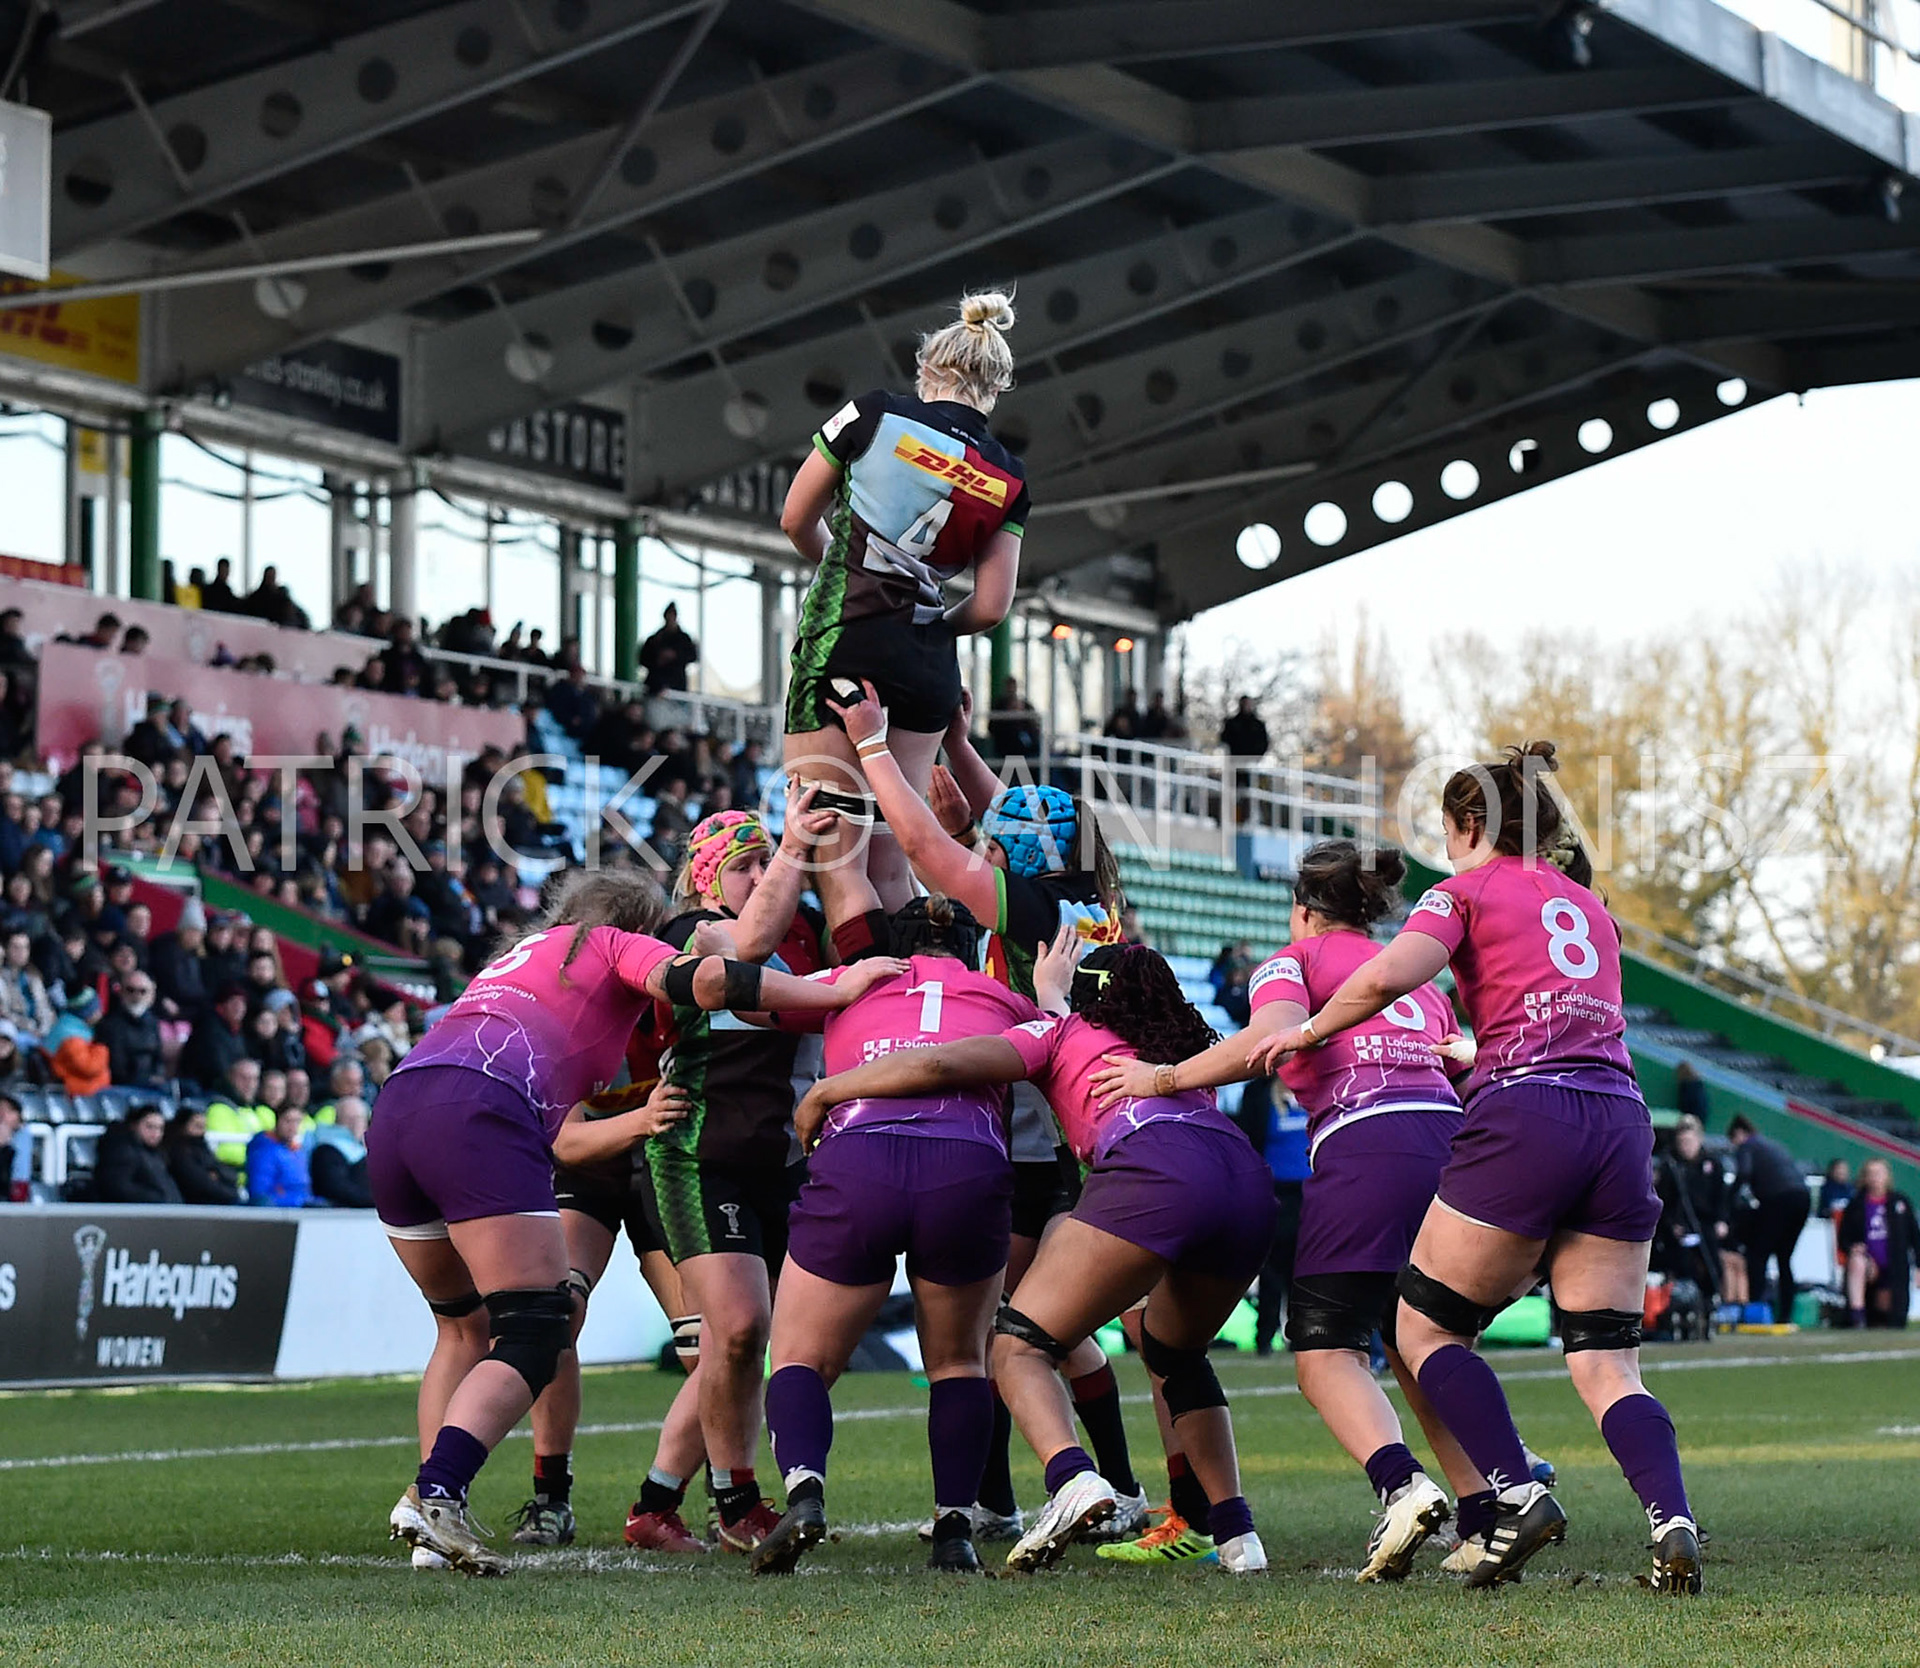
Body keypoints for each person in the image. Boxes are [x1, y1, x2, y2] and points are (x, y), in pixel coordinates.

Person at [1244, 744, 1701, 1593]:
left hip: (1528, 1111)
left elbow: (1388, 974)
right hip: (1620, 1117)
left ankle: (1517, 1493)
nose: (1445, 846)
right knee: (1607, 1359)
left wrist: (1305, 1033)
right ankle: (1671, 1523)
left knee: (1424, 1331)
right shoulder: (1591, 908)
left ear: (1471, 824)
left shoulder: (1461, 890)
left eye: (1449, 829)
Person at [373, 870, 901, 1576]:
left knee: (463, 1327)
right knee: (536, 1326)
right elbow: (712, 984)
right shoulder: (616, 942)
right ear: (643, 926)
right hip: (482, 1109)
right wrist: (835, 989)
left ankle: (429, 1506)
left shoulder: (520, 957)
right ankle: (439, 1495)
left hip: (400, 1103)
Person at [798, 935, 1274, 1573]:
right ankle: (1238, 1535)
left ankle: (1074, 1476)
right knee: (1177, 1357)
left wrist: (830, 1089)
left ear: (1082, 1002)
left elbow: (941, 1066)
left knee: (1016, 1345)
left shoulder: (1054, 1034)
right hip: (1245, 1182)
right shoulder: (1183, 1045)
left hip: (1151, 1171)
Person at [1096, 840, 1486, 1579]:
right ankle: (1486, 1504)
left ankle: (1402, 1486)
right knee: (1417, 1342)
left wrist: (1162, 1078)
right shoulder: (1415, 971)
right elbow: (1450, 1052)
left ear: (1304, 911)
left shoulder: (1292, 960)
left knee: (1319, 1350)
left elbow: (1263, 1043)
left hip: (1368, 1139)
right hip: (1451, 1141)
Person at [752, 896, 1038, 1577]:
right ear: (970, 951)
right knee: (960, 1363)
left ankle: (804, 1489)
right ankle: (955, 1528)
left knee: (797, 1357)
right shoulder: (1005, 997)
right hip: (965, 1162)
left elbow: (743, 992)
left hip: (859, 1155)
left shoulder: (846, 983)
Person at [629, 807, 836, 1556]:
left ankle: (655, 1505)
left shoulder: (789, 943)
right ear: (710, 873)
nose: (759, 877)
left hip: (774, 1165)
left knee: (742, 1342)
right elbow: (745, 962)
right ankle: (735, 1500)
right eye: (743, 865)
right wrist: (794, 844)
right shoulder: (691, 934)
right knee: (741, 1330)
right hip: (695, 1159)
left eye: (763, 865)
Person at [780, 290, 1027, 910]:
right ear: (993, 391)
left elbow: (793, 519)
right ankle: (907, 999)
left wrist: (839, 564)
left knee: (836, 860)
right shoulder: (1010, 479)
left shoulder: (874, 414)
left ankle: (856, 1003)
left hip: (850, 636)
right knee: (894, 868)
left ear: (927, 371)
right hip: (928, 666)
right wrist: (935, 621)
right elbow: (993, 606)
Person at [515, 1070, 701, 1553]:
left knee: (710, 1347)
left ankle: (697, 1500)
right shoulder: (586, 1011)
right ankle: (551, 1497)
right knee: (559, 1312)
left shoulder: (685, 1000)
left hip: (671, 1160)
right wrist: (642, 1118)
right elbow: (566, 1144)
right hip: (593, 1160)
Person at [1728, 1115, 1813, 1326]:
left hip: (1778, 1199)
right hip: (1802, 1198)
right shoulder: (1773, 1145)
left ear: (1738, 1135)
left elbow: (1744, 1174)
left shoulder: (1747, 1146)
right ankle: (1785, 1314)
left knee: (1758, 1254)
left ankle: (1757, 1310)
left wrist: (1727, 1201)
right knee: (1784, 1258)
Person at [1654, 1114, 1730, 1310]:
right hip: (1679, 1226)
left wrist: (1722, 1220)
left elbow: (1721, 1197)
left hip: (1705, 1224)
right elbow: (1663, 1201)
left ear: (1699, 1139)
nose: (1685, 1146)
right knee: (1682, 1264)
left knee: (1712, 1264)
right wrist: (1671, 1225)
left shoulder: (1713, 1164)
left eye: (1689, 1140)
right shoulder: (1671, 1166)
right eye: (1681, 1141)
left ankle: (1710, 1302)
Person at [1838, 1159, 1914, 1328]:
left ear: (1887, 1177)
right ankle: (1857, 1315)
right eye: (1871, 1174)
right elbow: (1843, 1238)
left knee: (1887, 1317)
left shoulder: (1899, 1202)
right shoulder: (1856, 1204)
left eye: (1879, 1173)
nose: (1875, 1178)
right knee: (1857, 1262)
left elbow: (1914, 1236)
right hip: (1870, 1266)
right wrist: (1853, 1247)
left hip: (1895, 1267)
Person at [94, 1105, 183, 1205]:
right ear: (134, 1125)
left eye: (160, 1128)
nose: (156, 1133)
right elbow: (118, 1187)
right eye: (149, 1126)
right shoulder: (122, 1151)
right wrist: (156, 1198)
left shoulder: (155, 1153)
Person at [165, 1107, 242, 1206]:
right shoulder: (180, 1153)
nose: (202, 1131)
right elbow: (201, 1183)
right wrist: (230, 1192)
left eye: (204, 1126)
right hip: (200, 1206)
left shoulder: (204, 1148)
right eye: (197, 1126)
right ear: (183, 1126)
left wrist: (217, 1174)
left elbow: (230, 1175)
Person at [311, 1096, 374, 1209]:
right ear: (337, 1121)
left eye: (359, 1119)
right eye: (349, 1119)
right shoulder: (327, 1150)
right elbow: (337, 1188)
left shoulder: (365, 1149)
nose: (354, 1125)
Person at [247, 1105, 314, 1208]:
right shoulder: (264, 1151)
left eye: (297, 1122)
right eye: (288, 1121)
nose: (292, 1127)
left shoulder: (299, 1152)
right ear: (277, 1121)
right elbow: (260, 1193)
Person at [639, 603, 699, 696]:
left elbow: (692, 656)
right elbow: (643, 659)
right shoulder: (654, 639)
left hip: (676, 686)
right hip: (655, 685)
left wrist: (675, 656)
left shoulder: (684, 639)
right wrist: (659, 659)